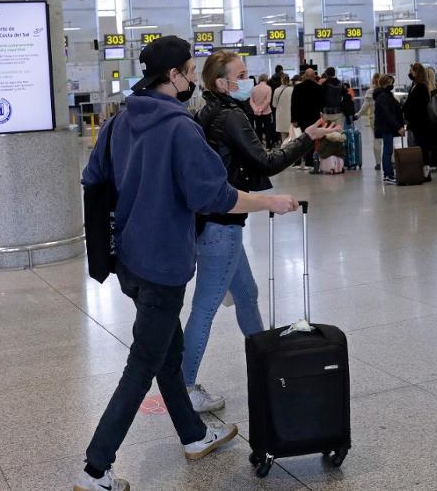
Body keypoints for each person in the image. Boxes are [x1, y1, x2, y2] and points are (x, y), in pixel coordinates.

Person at [77, 36, 299, 491]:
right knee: (143, 364)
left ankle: (194, 436)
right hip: (163, 264)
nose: (193, 78)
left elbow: (93, 178)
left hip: (129, 261)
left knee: (168, 354)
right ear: (173, 76)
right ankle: (96, 469)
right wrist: (269, 201)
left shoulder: (119, 122)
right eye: (190, 70)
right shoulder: (180, 128)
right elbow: (212, 195)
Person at [184, 52, 339, 413]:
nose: (249, 81)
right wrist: (306, 140)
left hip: (218, 221)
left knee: (248, 294)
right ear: (222, 82)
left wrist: (308, 135)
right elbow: (267, 161)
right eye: (241, 75)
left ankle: (265, 362)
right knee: (204, 308)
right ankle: (185, 386)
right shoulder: (232, 115)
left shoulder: (208, 110)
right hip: (222, 225)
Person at [404, 63, 437, 168]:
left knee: (424, 145)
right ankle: (434, 163)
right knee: (435, 142)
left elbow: (418, 105)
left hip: (424, 121)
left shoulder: (422, 87)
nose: (410, 73)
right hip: (435, 119)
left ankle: (428, 166)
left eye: (412, 71)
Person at [371, 73, 405, 184]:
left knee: (388, 150)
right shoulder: (382, 97)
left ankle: (389, 174)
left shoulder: (386, 95)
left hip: (387, 127)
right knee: (387, 151)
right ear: (385, 83)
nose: (392, 85)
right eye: (390, 83)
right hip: (386, 128)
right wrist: (398, 127)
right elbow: (388, 114)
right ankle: (388, 175)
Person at [291, 68, 324, 166]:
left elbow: (294, 104)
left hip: (302, 118)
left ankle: (304, 159)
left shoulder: (298, 88)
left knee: (304, 138)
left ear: (304, 76)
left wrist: (294, 119)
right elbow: (322, 103)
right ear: (314, 76)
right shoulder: (318, 88)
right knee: (313, 138)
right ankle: (311, 160)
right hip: (314, 118)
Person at [250, 74, 275, 147]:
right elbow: (268, 101)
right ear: (266, 79)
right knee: (268, 129)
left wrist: (256, 109)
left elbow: (251, 101)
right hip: (266, 112)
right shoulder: (268, 88)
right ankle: (268, 145)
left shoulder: (254, 88)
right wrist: (261, 109)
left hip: (256, 113)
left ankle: (259, 145)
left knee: (258, 129)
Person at [273, 74, 296, 148]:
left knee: (283, 138)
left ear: (281, 80)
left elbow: (274, 105)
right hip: (291, 115)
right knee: (292, 137)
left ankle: (285, 155)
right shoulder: (293, 89)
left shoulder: (277, 90)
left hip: (281, 116)